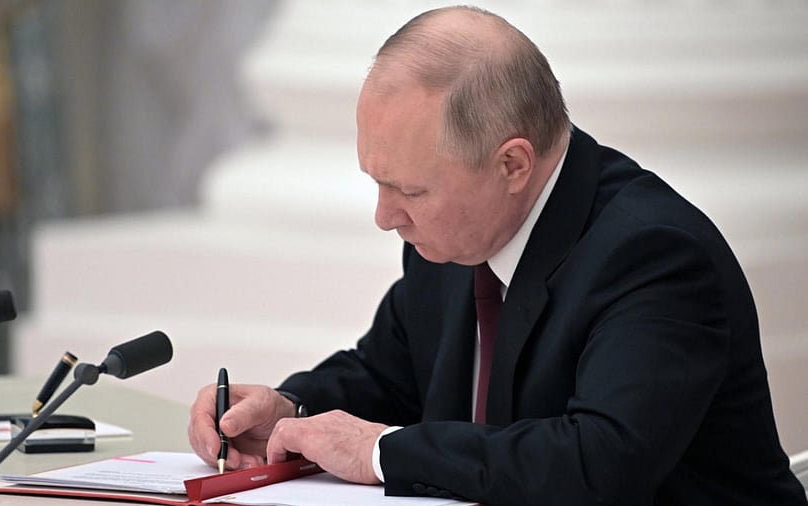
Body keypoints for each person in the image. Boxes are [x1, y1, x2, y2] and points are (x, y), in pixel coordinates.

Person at [189, 6, 807, 505]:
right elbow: (387, 375)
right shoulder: (455, 236)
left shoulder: (654, 256)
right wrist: (289, 412)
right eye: (378, 183)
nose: (385, 216)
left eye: (411, 191)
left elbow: (597, 465)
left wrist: (380, 452)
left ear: (512, 164)